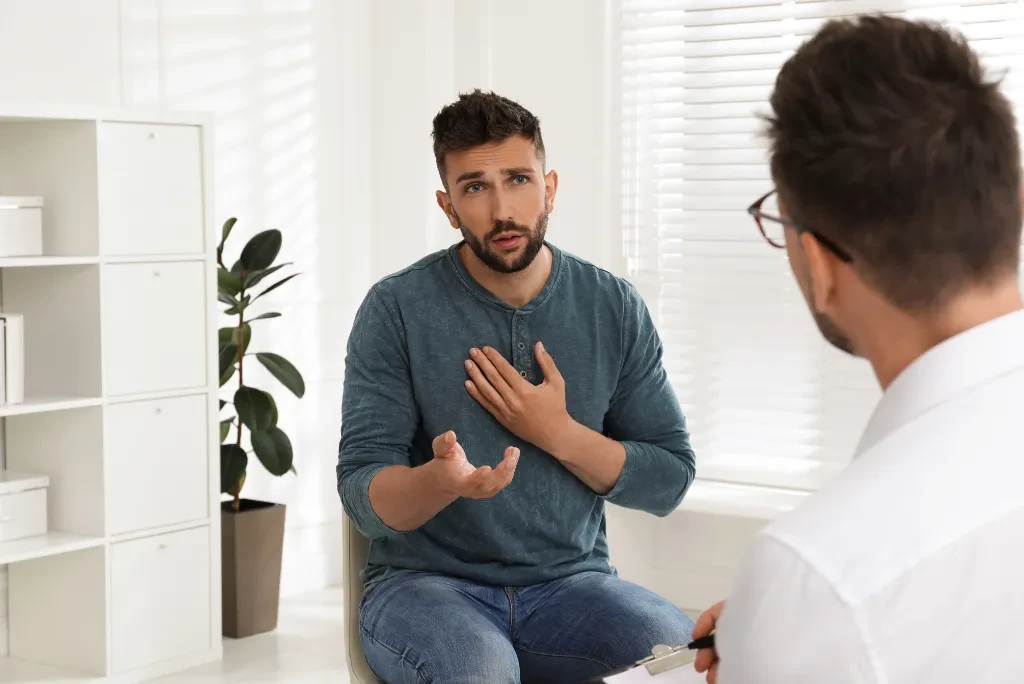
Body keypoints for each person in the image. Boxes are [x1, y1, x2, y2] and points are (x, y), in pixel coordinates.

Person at [690, 15, 1024, 683]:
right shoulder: (819, 590)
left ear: (819, 266)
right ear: (1007, 202)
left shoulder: (819, 575)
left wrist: (789, 629)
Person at [337, 90, 697, 684]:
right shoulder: (397, 308)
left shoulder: (612, 306)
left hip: (572, 587)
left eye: (518, 179)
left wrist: (558, 432)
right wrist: (438, 481)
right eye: (475, 187)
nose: (503, 209)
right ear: (448, 206)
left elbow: (669, 481)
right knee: (481, 669)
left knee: (682, 659)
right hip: (423, 589)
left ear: (549, 187)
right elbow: (361, 497)